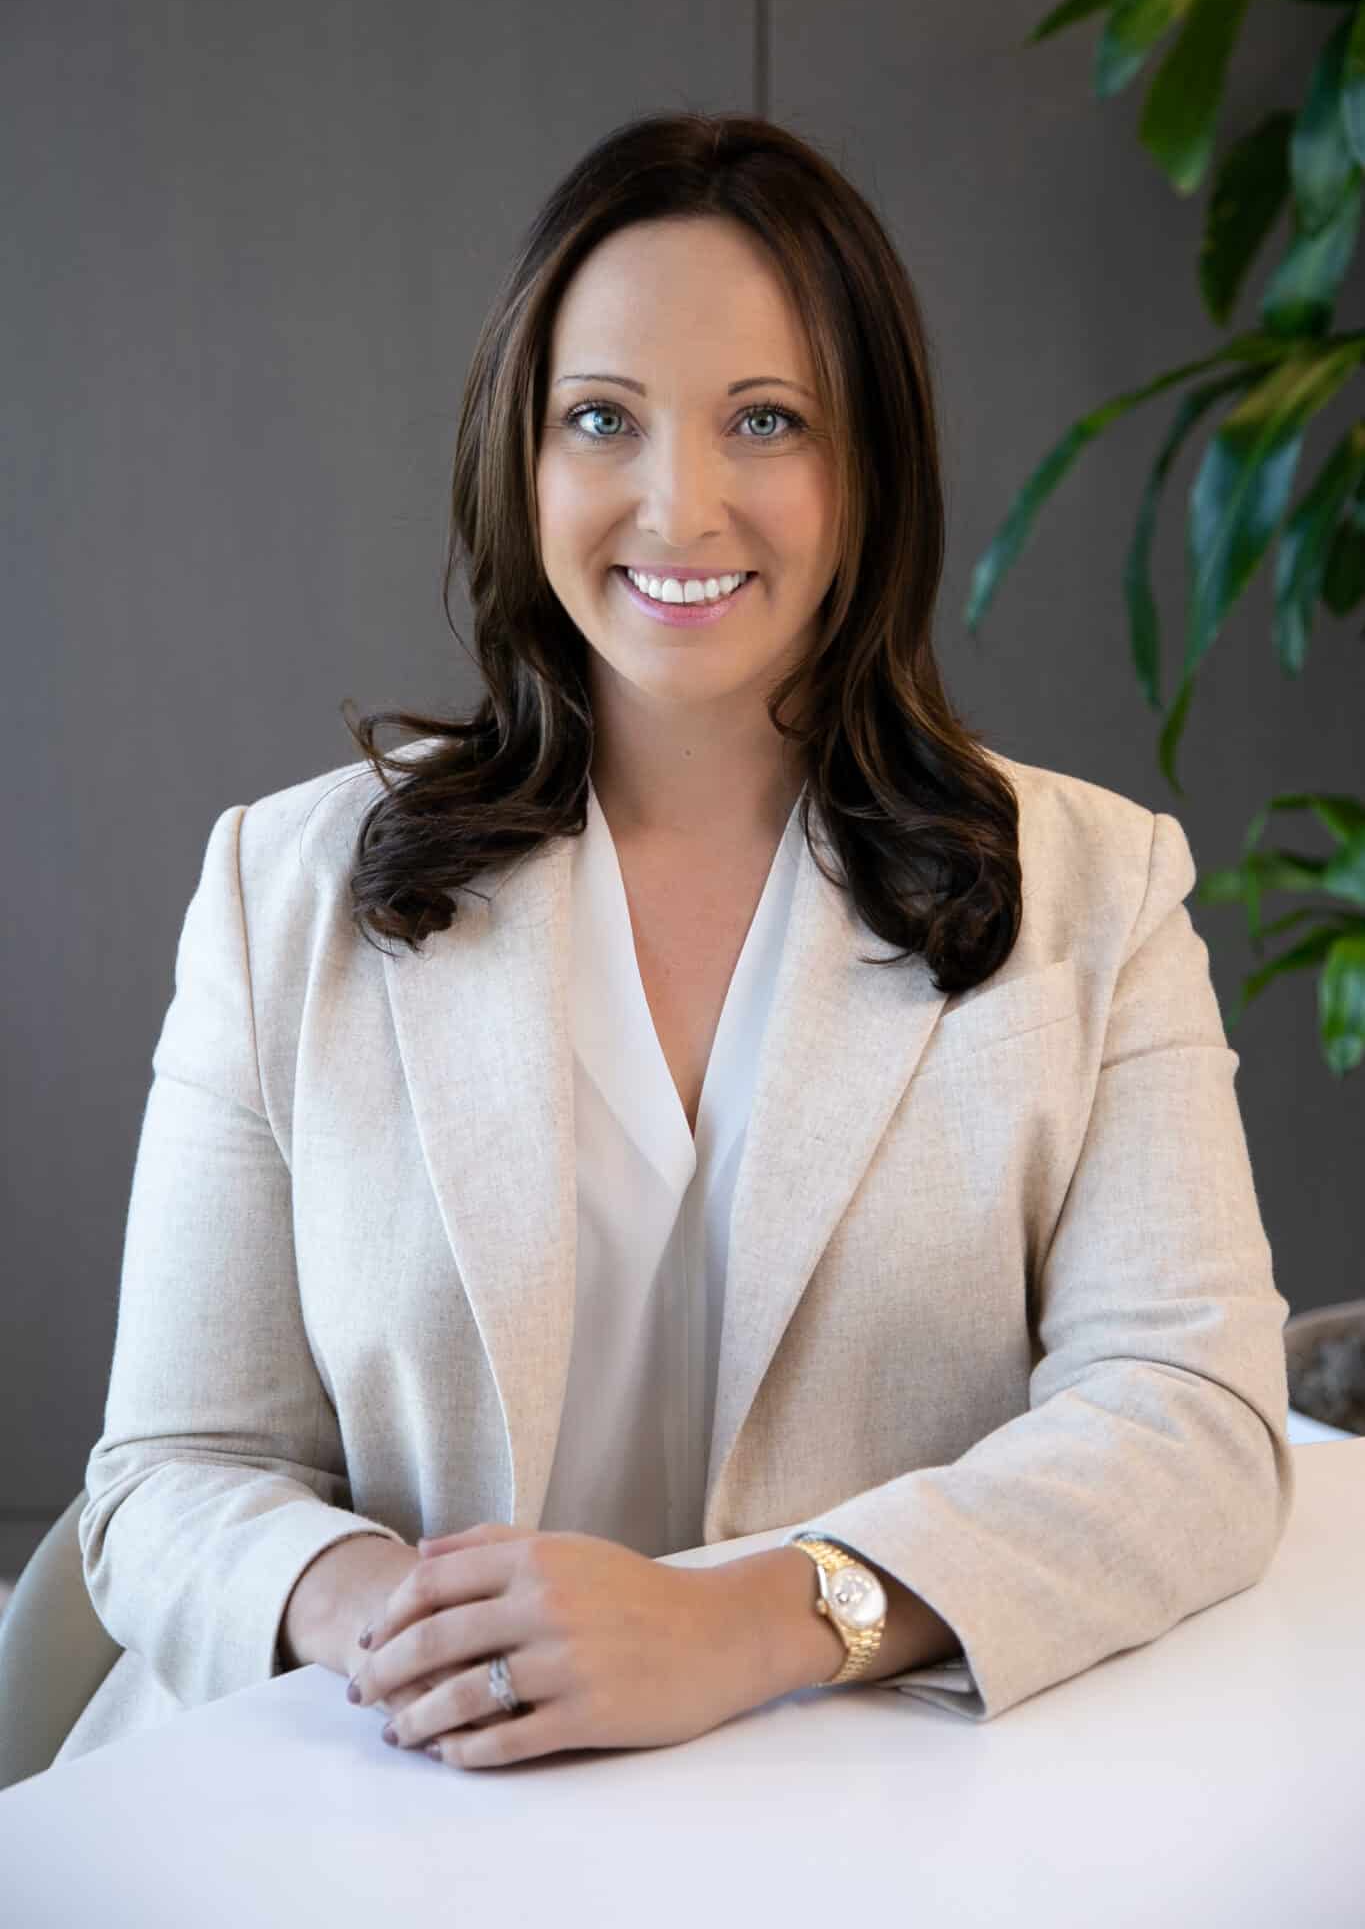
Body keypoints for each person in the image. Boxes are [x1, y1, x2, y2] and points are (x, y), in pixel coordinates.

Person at [59, 111, 1293, 1772]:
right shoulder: (281, 887)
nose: (677, 503)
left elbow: (1193, 1419)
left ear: (872, 471)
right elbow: (168, 1472)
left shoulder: (1093, 883)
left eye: (766, 420)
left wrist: (755, 1622)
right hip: (370, 1783)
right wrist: (408, 1626)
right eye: (600, 420)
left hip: (865, 1802)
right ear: (526, 457)